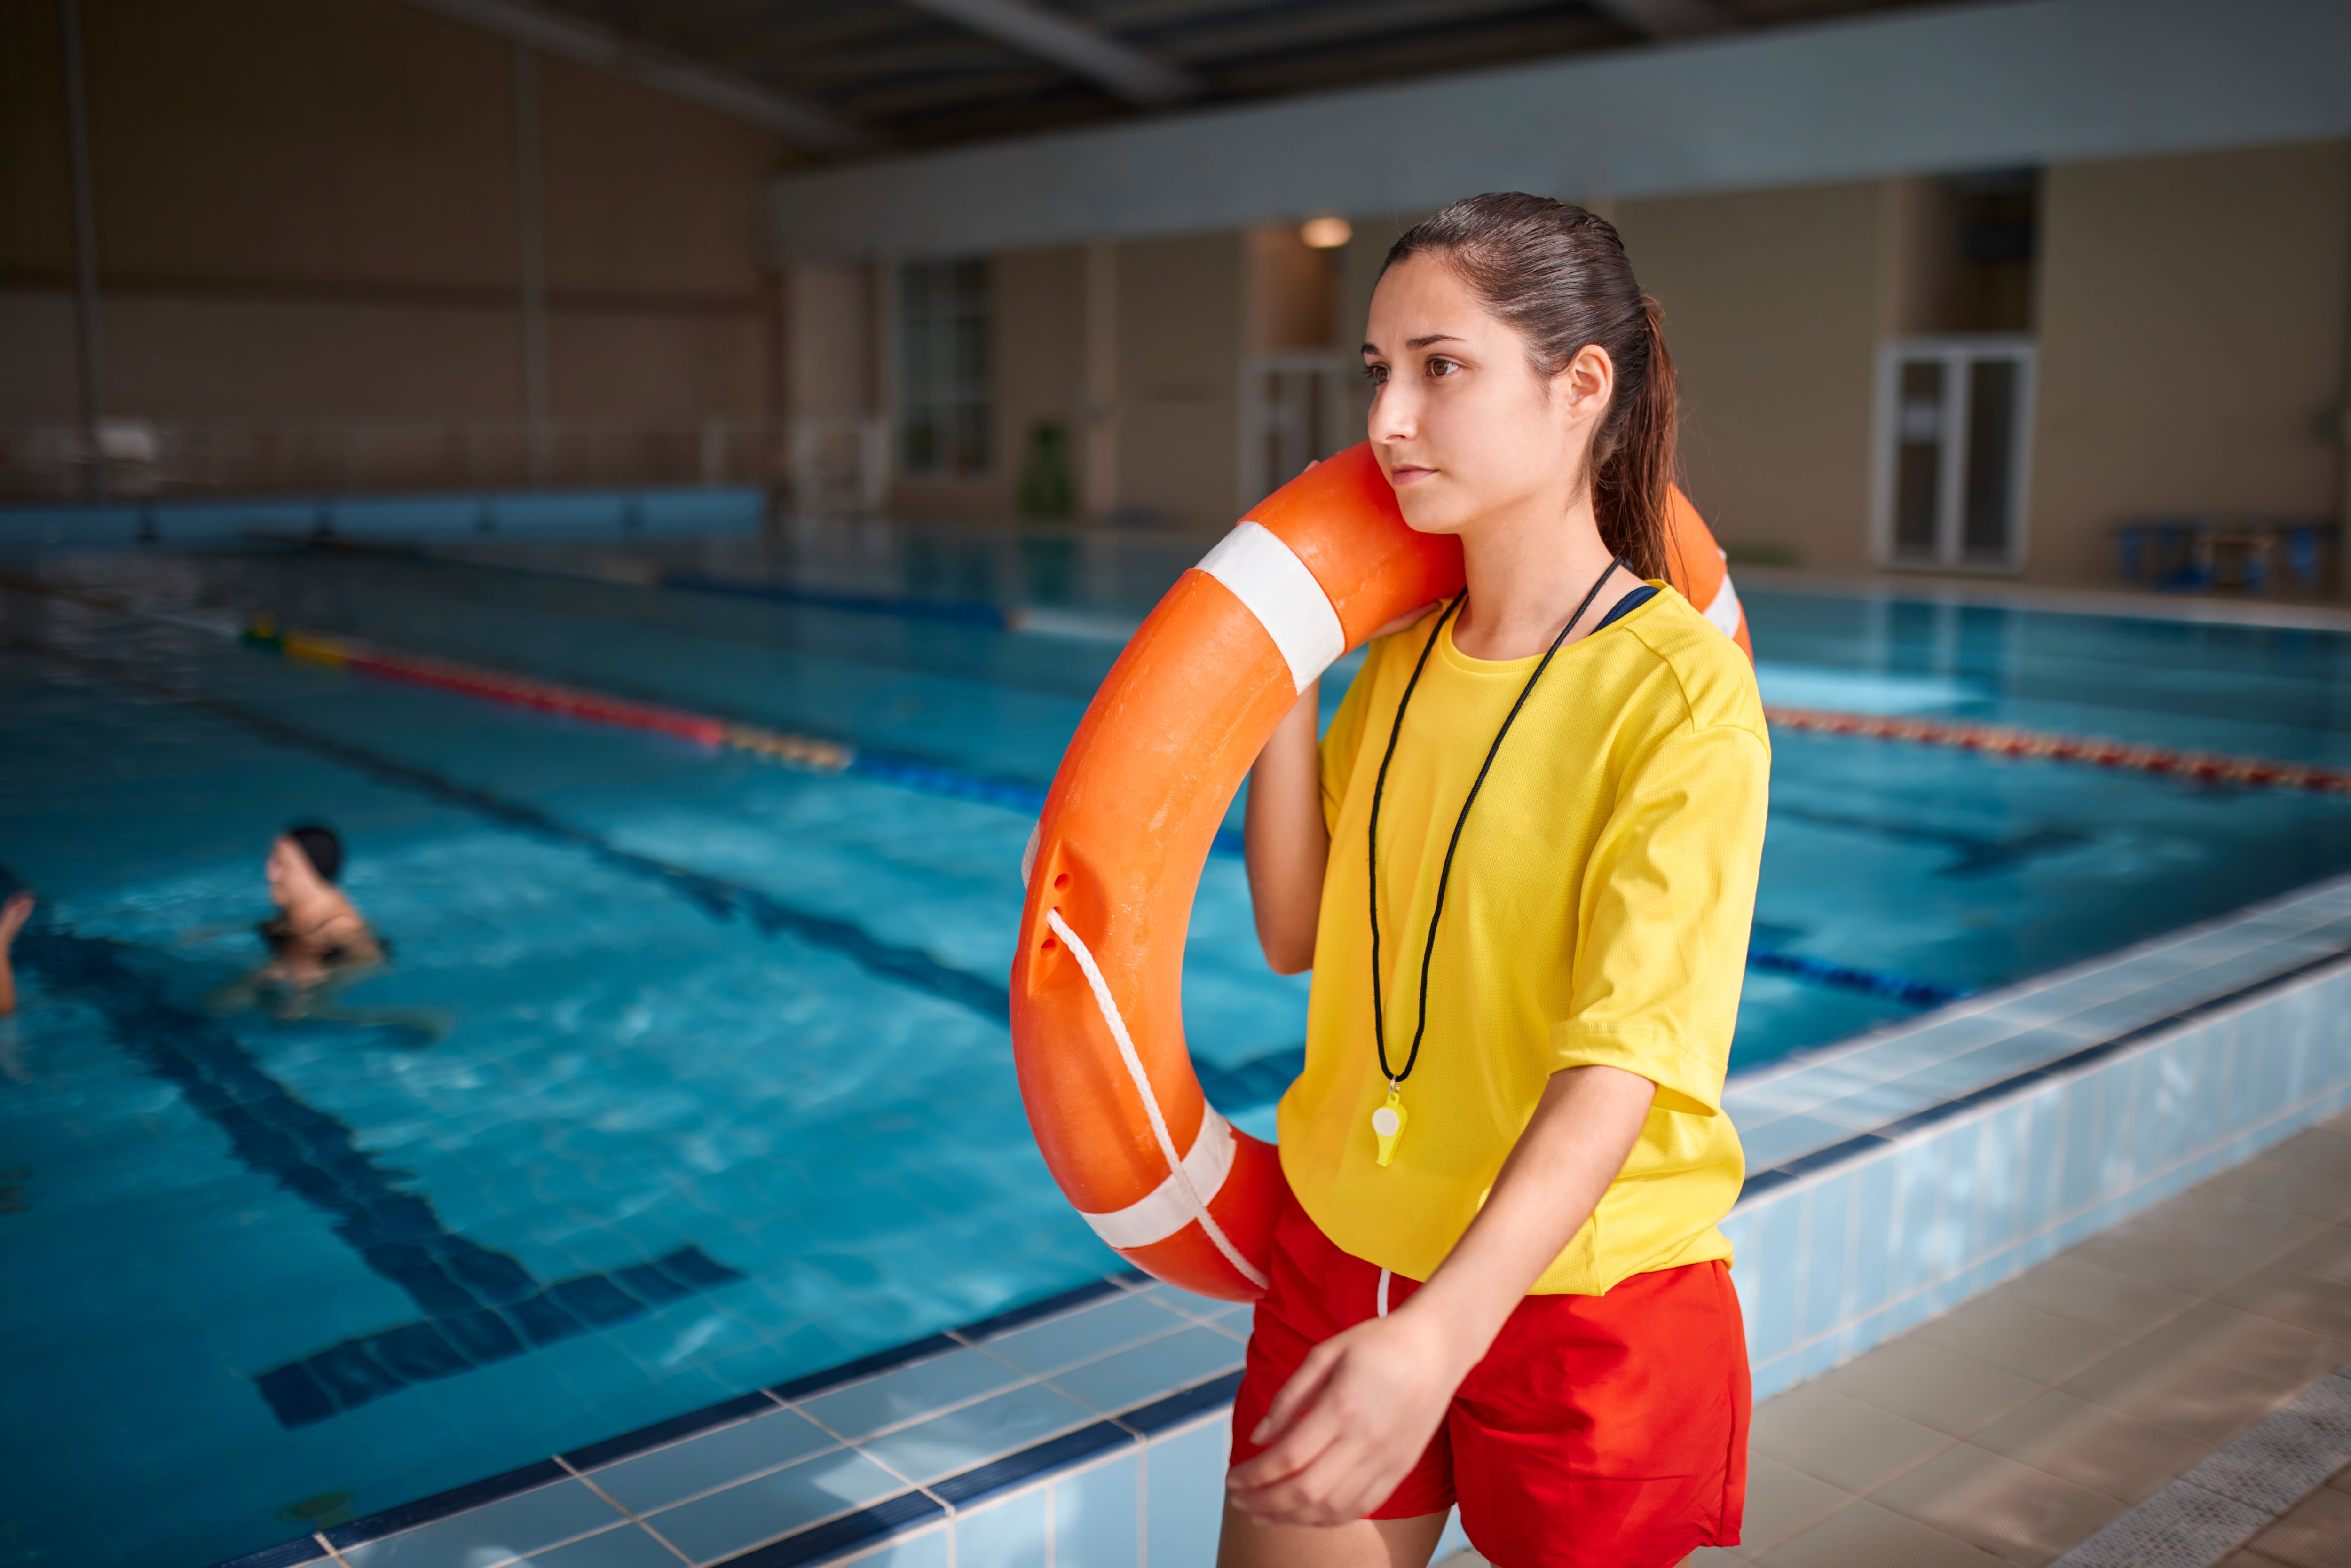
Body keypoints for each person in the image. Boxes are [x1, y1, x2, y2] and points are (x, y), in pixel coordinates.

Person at [1223, 193, 1770, 1568]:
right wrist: (1275, 681)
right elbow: (1296, 931)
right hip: (1345, 1247)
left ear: (1579, 386)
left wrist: (1441, 1328)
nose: (1385, 421)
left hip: (1590, 1296)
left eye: (1438, 367)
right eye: (1376, 374)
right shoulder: (1397, 668)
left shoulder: (1679, 699)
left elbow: (1619, 1063)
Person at [203, 825, 442, 1041]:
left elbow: (371, 959)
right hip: (291, 961)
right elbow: (278, 927)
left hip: (321, 966)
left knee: (272, 1011)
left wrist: (319, 984)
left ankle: (392, 1021)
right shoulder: (299, 909)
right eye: (272, 861)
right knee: (219, 1004)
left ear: (313, 873)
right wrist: (223, 932)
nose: (270, 873)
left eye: (283, 865)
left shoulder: (337, 924)